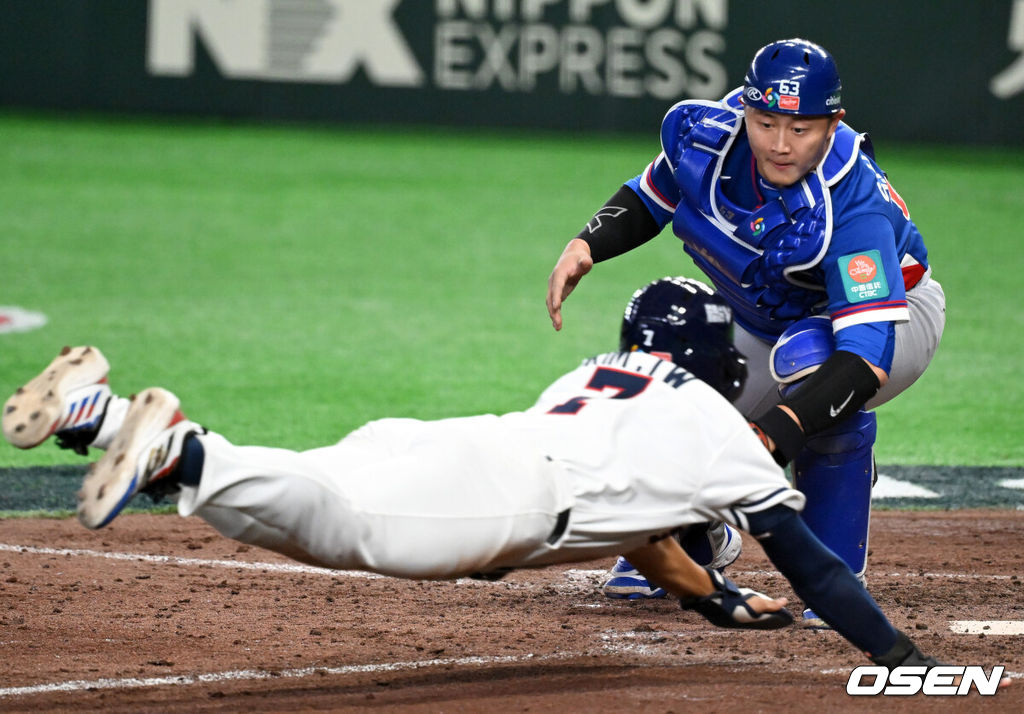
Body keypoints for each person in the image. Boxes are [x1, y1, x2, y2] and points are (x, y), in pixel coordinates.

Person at [4, 278, 944, 670]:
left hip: (448, 439)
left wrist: (714, 601)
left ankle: (104, 420)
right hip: (508, 500)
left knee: (316, 490)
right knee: (339, 530)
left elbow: (649, 532)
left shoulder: (596, 377)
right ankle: (180, 448)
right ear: (718, 363)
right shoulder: (723, 432)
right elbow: (817, 568)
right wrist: (904, 662)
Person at [545, 39, 946, 626]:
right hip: (760, 321)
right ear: (746, 110)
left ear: (833, 124)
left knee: (809, 362)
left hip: (892, 317)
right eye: (766, 122)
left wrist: (777, 433)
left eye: (802, 128)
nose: (780, 144)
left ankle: (833, 566)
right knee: (664, 367)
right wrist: (586, 244)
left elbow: (865, 360)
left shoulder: (853, 209)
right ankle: (696, 543)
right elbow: (649, 197)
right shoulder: (712, 140)